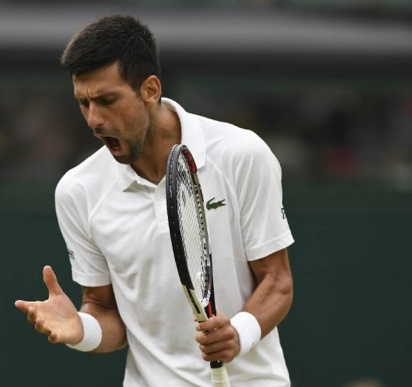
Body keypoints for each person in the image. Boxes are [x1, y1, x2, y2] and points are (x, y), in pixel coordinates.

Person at [15, 14, 294, 387]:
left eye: (107, 100)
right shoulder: (77, 191)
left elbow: (277, 282)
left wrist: (238, 334)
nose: (94, 119)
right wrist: (80, 328)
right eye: (83, 103)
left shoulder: (241, 154)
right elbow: (105, 311)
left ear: (149, 89)